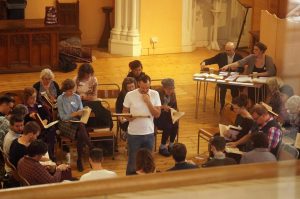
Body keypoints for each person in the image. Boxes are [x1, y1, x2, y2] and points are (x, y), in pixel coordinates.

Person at [123, 74, 161, 175]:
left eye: (147, 87)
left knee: (149, 161)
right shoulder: (130, 95)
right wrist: (129, 117)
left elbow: (157, 114)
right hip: (134, 134)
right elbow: (125, 113)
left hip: (149, 132)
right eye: (143, 87)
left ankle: (149, 182)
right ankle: (130, 181)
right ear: (138, 84)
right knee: (133, 160)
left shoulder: (155, 94)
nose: (145, 90)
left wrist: (148, 102)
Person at [57, 79, 93, 172]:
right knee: (81, 127)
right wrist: (74, 114)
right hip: (65, 123)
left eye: (73, 90)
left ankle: (79, 159)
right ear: (65, 90)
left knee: (80, 130)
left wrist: (83, 112)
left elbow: (80, 112)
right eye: (69, 91)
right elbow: (63, 117)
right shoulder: (60, 98)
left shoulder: (77, 97)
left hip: (76, 122)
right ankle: (90, 147)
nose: (71, 92)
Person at [201, 42, 243, 110]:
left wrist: (237, 69)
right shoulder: (221, 55)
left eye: (229, 50)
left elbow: (242, 68)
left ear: (234, 49)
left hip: (234, 78)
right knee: (223, 87)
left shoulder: (239, 57)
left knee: (234, 89)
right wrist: (204, 62)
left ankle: (233, 106)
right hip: (222, 77)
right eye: (226, 50)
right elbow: (211, 60)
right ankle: (222, 104)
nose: (227, 52)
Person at [74, 63, 112, 129]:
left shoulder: (94, 80)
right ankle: (107, 124)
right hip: (79, 102)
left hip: (91, 101)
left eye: (90, 73)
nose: (89, 75)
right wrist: (82, 97)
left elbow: (94, 96)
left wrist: (84, 97)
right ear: (82, 73)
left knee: (94, 106)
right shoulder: (76, 80)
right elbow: (73, 95)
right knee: (88, 107)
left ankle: (86, 126)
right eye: (87, 74)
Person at [23, 87, 56, 161]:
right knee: (46, 135)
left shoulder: (38, 105)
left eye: (35, 97)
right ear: (26, 98)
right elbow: (24, 122)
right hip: (33, 131)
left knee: (51, 130)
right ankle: (46, 155)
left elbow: (48, 115)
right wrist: (28, 116)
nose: (34, 99)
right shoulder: (24, 108)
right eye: (32, 98)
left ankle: (50, 154)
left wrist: (46, 120)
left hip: (43, 127)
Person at [154, 78, 179, 157]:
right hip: (157, 116)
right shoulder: (156, 93)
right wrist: (162, 107)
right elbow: (152, 106)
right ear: (163, 88)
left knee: (175, 124)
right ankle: (162, 146)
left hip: (168, 116)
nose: (171, 91)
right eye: (168, 89)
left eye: (172, 89)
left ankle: (171, 145)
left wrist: (175, 112)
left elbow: (175, 106)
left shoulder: (173, 94)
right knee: (168, 125)